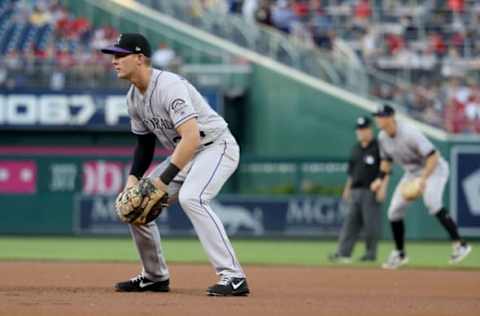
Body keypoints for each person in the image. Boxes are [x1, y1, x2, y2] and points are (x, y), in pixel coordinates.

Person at [100, 33, 249, 296]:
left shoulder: (169, 86)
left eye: (120, 55)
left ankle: (234, 276)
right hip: (186, 155)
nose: (114, 61)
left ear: (140, 58)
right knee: (137, 205)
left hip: (216, 146)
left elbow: (191, 137)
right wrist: (134, 180)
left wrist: (161, 181)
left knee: (193, 198)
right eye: (113, 55)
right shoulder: (133, 98)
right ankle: (154, 276)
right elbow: (144, 145)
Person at [370, 104, 472, 269]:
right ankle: (400, 253)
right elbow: (386, 160)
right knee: (394, 212)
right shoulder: (382, 137)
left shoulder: (409, 133)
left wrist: (423, 178)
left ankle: (460, 244)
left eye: (382, 116)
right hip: (412, 173)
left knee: (432, 203)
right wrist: (379, 179)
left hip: (434, 169)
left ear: (391, 117)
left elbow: (433, 155)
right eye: (377, 116)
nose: (378, 119)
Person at [329, 116, 385, 263]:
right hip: (355, 190)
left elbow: (385, 169)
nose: (360, 132)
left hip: (371, 190)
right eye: (359, 130)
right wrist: (347, 189)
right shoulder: (356, 148)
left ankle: (370, 254)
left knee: (370, 225)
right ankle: (343, 253)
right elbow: (351, 172)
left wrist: (382, 188)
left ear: (370, 129)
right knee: (350, 223)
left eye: (363, 129)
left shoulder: (378, 147)